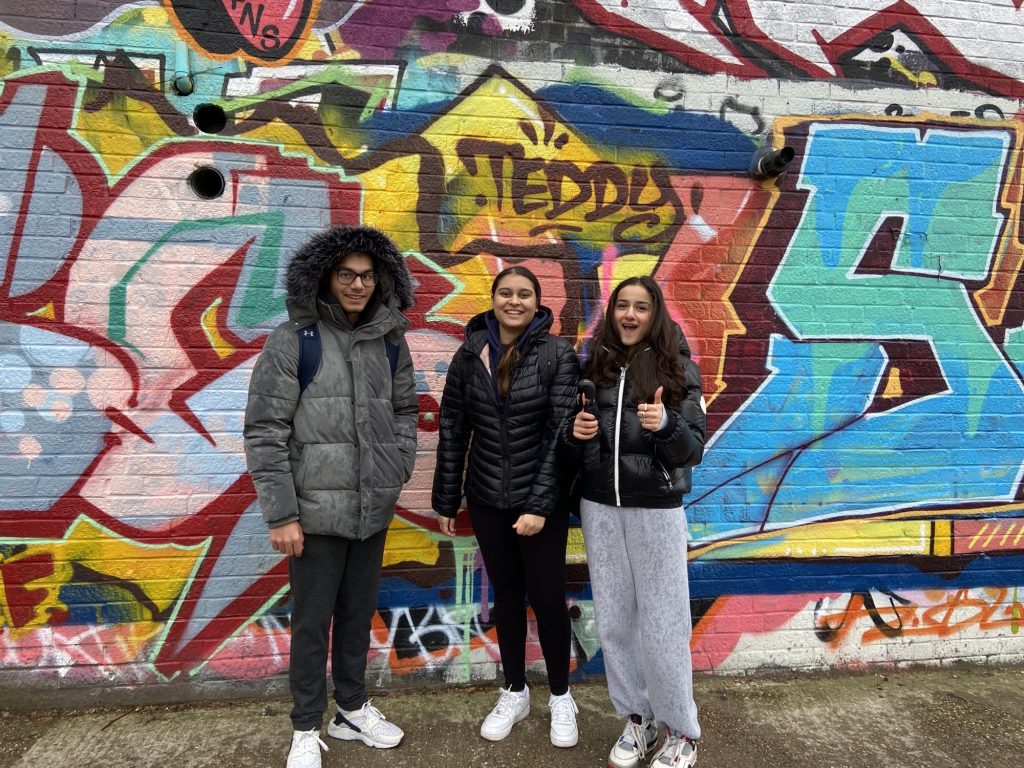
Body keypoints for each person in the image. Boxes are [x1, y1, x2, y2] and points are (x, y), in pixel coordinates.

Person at [244, 226, 418, 768]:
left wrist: (397, 465)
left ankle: (351, 706)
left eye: (367, 276)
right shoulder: (297, 339)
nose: (358, 285)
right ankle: (304, 725)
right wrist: (283, 514)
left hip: (371, 508)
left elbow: (405, 412)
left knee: (357, 613)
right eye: (347, 274)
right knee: (312, 621)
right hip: (313, 515)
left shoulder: (391, 340)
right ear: (327, 277)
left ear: (380, 279)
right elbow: (264, 429)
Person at [432, 266, 581, 748]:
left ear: (538, 303)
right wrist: (447, 496)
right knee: (506, 597)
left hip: (542, 504)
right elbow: (454, 428)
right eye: (505, 293)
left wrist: (539, 504)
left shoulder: (557, 353)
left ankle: (561, 694)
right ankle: (515, 689)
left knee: (547, 598)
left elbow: (562, 435)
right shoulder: (469, 354)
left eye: (524, 295)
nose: (514, 301)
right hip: (487, 498)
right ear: (493, 299)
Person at [564, 275, 706, 768]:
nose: (629, 315)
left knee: (664, 626)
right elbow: (577, 443)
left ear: (655, 314)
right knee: (616, 624)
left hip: (655, 510)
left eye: (640, 307)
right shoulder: (597, 367)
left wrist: (666, 425)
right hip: (600, 508)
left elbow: (694, 450)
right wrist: (577, 432)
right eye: (622, 306)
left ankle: (682, 732)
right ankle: (637, 721)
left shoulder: (679, 368)